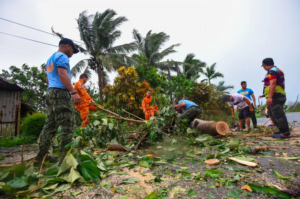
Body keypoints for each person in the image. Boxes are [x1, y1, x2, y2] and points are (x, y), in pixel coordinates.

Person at [35, 38, 81, 165]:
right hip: (61, 93)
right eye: (72, 51)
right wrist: (73, 92)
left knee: (50, 125)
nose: (72, 54)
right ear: (67, 46)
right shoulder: (62, 56)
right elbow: (62, 74)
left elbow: (47, 79)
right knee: (68, 125)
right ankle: (65, 159)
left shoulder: (50, 59)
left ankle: (41, 157)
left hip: (50, 93)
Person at [261, 58, 290, 138]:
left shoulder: (272, 71)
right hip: (277, 94)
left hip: (275, 95)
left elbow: (273, 83)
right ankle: (281, 129)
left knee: (278, 113)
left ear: (264, 64)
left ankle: (285, 133)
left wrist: (270, 97)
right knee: (271, 112)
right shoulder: (277, 70)